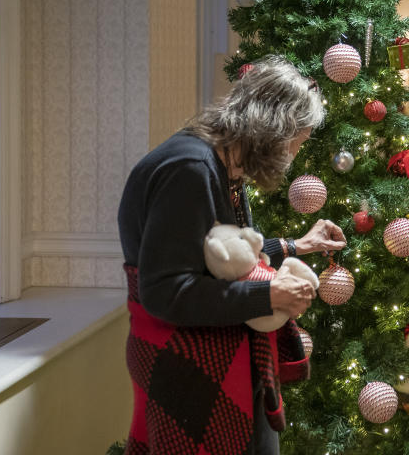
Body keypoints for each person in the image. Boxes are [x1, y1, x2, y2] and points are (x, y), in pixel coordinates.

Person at [118, 55, 346, 455]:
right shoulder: (189, 169)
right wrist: (267, 296)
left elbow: (219, 260)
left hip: (209, 357)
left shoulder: (219, 162)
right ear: (275, 129)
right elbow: (165, 290)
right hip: (187, 368)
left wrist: (294, 247)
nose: (294, 155)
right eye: (297, 141)